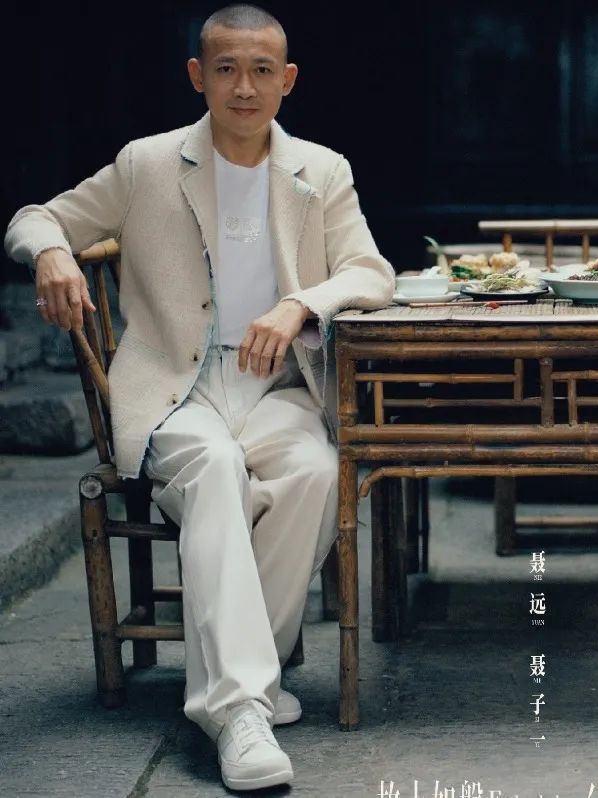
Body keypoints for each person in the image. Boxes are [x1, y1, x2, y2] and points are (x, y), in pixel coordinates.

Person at [4, 4, 394, 791]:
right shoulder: (147, 164)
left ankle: (240, 682)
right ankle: (242, 709)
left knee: (318, 471)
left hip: (277, 386)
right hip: (174, 391)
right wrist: (51, 253)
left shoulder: (322, 170)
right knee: (214, 468)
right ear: (197, 76)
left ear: (287, 80)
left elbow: (370, 272)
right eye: (225, 69)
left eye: (260, 71)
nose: (243, 87)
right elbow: (34, 217)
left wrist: (298, 305)